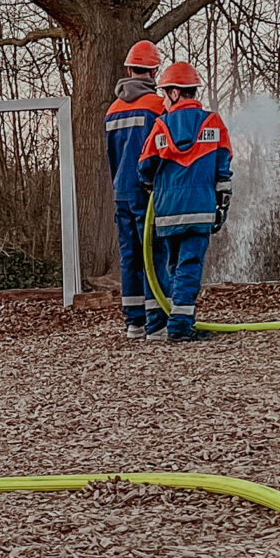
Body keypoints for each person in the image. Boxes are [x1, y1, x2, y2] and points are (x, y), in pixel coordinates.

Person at [132, 60, 232, 341]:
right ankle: (180, 326)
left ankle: (178, 319)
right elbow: (224, 169)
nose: (163, 100)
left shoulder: (161, 126)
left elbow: (144, 168)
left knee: (175, 266)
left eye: (165, 94)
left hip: (167, 213)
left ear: (175, 92)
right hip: (200, 210)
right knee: (190, 265)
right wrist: (221, 207)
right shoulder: (213, 123)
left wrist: (155, 188)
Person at [104, 40, 167, 339]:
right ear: (154, 72)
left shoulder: (112, 110)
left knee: (129, 256)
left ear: (129, 70)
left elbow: (112, 157)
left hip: (121, 192)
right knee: (153, 254)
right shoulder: (158, 106)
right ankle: (158, 323)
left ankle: (134, 322)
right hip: (148, 193)